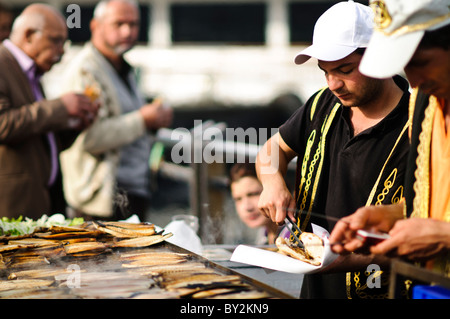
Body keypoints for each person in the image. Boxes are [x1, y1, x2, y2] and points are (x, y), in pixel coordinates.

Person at [255, 0, 411, 299]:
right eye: (324, 71)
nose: (333, 83)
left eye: (344, 69)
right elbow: (272, 149)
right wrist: (272, 183)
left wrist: (338, 259)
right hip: (315, 285)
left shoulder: (416, 125)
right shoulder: (321, 104)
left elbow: (418, 225)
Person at [330, 0, 450, 277]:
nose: (415, 80)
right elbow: (435, 204)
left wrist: (444, 236)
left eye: (421, 63)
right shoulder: (424, 102)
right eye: (405, 66)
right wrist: (391, 216)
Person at [59, 0, 173, 222]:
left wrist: (154, 118)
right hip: (100, 202)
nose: (127, 31)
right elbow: (89, 138)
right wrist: (143, 119)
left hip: (133, 192)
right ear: (95, 26)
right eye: (119, 23)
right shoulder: (85, 70)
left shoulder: (124, 67)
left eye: (133, 24)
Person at [0, 4, 99, 219]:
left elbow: (38, 140)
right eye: (55, 41)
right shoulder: (3, 63)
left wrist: (75, 125)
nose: (62, 51)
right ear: (28, 36)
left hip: (38, 205)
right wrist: (61, 107)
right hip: (12, 209)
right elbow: (3, 125)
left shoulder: (30, 71)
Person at [230, 162, 288, 245]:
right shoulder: (264, 233)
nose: (247, 207)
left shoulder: (294, 234)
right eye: (238, 199)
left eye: (254, 194)